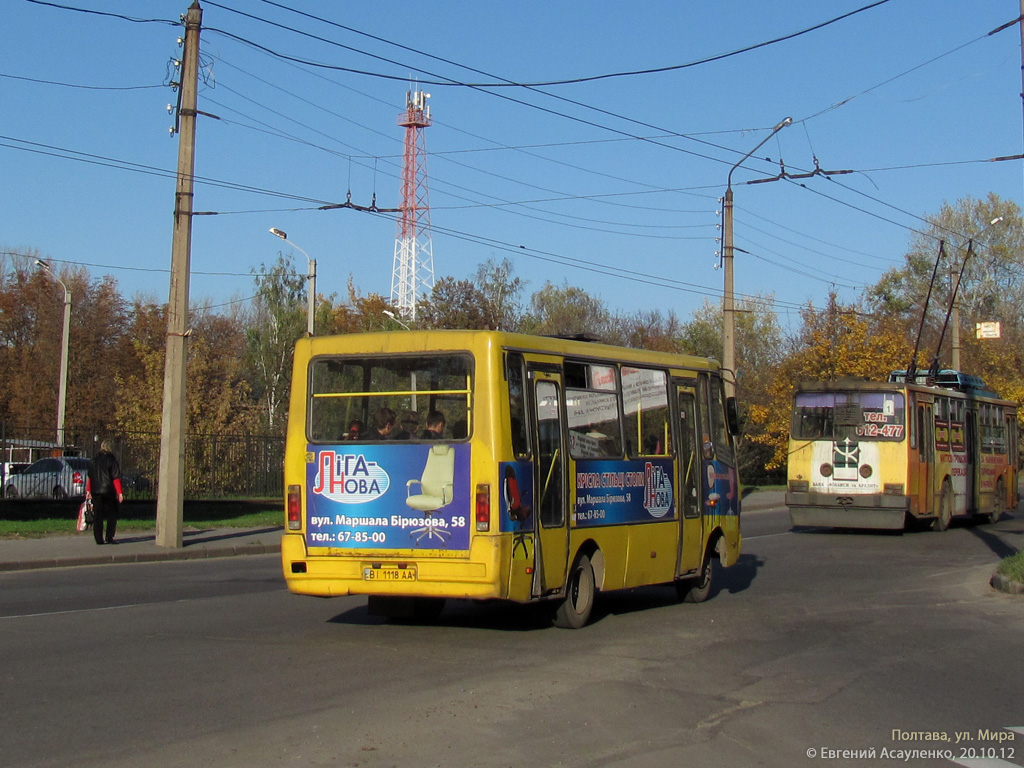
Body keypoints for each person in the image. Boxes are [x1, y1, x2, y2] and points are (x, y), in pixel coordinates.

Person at [86, 439, 124, 546]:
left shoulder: (94, 460)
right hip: (108, 490)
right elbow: (115, 477)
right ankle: (109, 536)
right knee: (112, 514)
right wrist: (119, 493)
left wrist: (88, 490)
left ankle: (99, 539)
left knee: (98, 515)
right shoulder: (111, 460)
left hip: (96, 490)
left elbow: (90, 477)